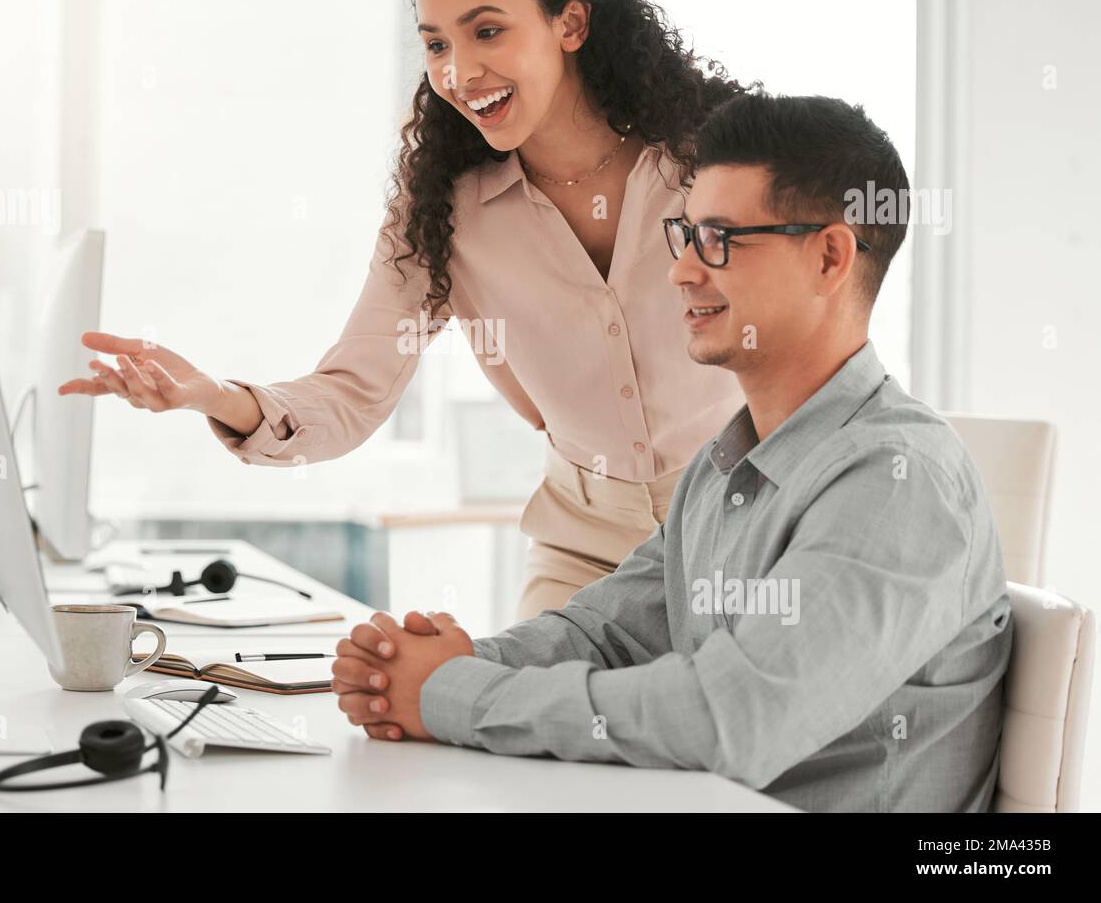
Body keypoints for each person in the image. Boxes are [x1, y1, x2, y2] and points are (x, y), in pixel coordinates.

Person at [58, 0, 752, 619]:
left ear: (569, 24)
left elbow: (818, 341)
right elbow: (354, 392)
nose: (460, 72)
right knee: (513, 721)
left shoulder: (719, 163)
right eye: (437, 45)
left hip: (750, 527)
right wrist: (218, 397)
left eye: (487, 31)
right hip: (585, 552)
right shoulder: (443, 209)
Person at [328, 93, 1014, 813]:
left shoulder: (897, 483)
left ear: (830, 256)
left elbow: (728, 721)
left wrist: (449, 694)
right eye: (684, 234)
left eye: (720, 239)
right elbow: (608, 634)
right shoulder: (729, 464)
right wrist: (428, 666)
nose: (682, 271)